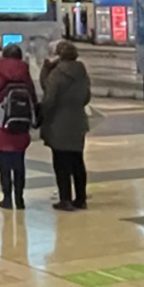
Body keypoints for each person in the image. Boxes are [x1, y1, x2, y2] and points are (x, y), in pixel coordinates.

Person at [0, 38, 37, 210]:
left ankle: (6, 199)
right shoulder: (25, 72)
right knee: (19, 163)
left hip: (0, 122)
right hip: (21, 124)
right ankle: (20, 199)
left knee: (4, 163)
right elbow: (32, 97)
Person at [38, 40, 93, 211]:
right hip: (78, 122)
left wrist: (46, 69)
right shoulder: (82, 72)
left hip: (59, 123)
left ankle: (65, 199)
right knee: (77, 161)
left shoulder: (57, 74)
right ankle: (81, 199)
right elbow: (86, 97)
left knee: (61, 163)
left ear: (59, 55)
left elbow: (48, 98)